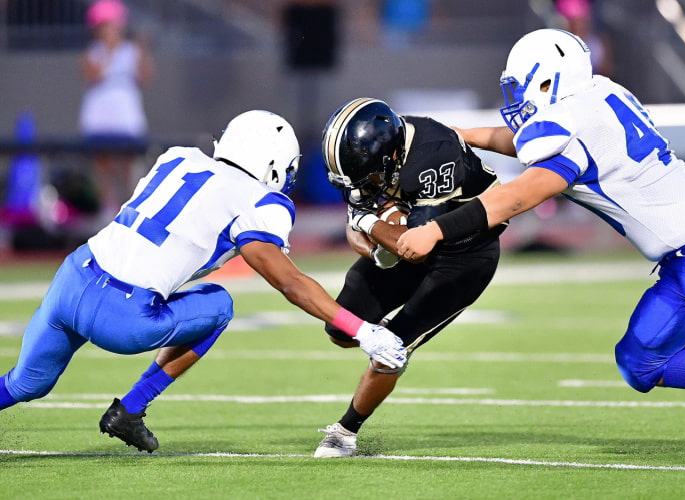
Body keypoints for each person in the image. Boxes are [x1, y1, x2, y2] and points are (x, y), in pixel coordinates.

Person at [397, 28, 685, 454]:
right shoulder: (597, 95)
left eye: (521, 86)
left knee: (640, 363)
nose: (516, 98)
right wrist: (459, 133)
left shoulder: (570, 134)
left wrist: (435, 230)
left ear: (549, 80)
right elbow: (524, 141)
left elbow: (514, 198)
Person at [0, 110, 407, 453]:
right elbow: (288, 281)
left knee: (25, 383)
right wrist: (361, 329)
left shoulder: (177, 158)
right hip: (121, 316)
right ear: (272, 164)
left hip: (71, 279)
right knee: (219, 305)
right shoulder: (262, 201)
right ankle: (132, 408)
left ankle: (121, 410)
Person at [313, 97, 506, 457]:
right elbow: (361, 231)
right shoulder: (382, 148)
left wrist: (370, 223)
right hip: (413, 239)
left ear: (392, 157)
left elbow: (417, 245)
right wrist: (372, 244)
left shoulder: (432, 155)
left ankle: (345, 432)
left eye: (368, 174)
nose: (363, 184)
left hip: (464, 257)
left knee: (390, 350)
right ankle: (388, 329)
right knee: (341, 329)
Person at [79, 0, 155, 225]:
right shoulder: (93, 53)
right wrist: (108, 52)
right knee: (103, 167)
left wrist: (144, 50)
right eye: (104, 26)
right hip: (99, 118)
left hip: (126, 118)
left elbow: (145, 77)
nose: (109, 31)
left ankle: (129, 210)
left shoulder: (133, 51)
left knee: (128, 167)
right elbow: (93, 76)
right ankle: (106, 212)